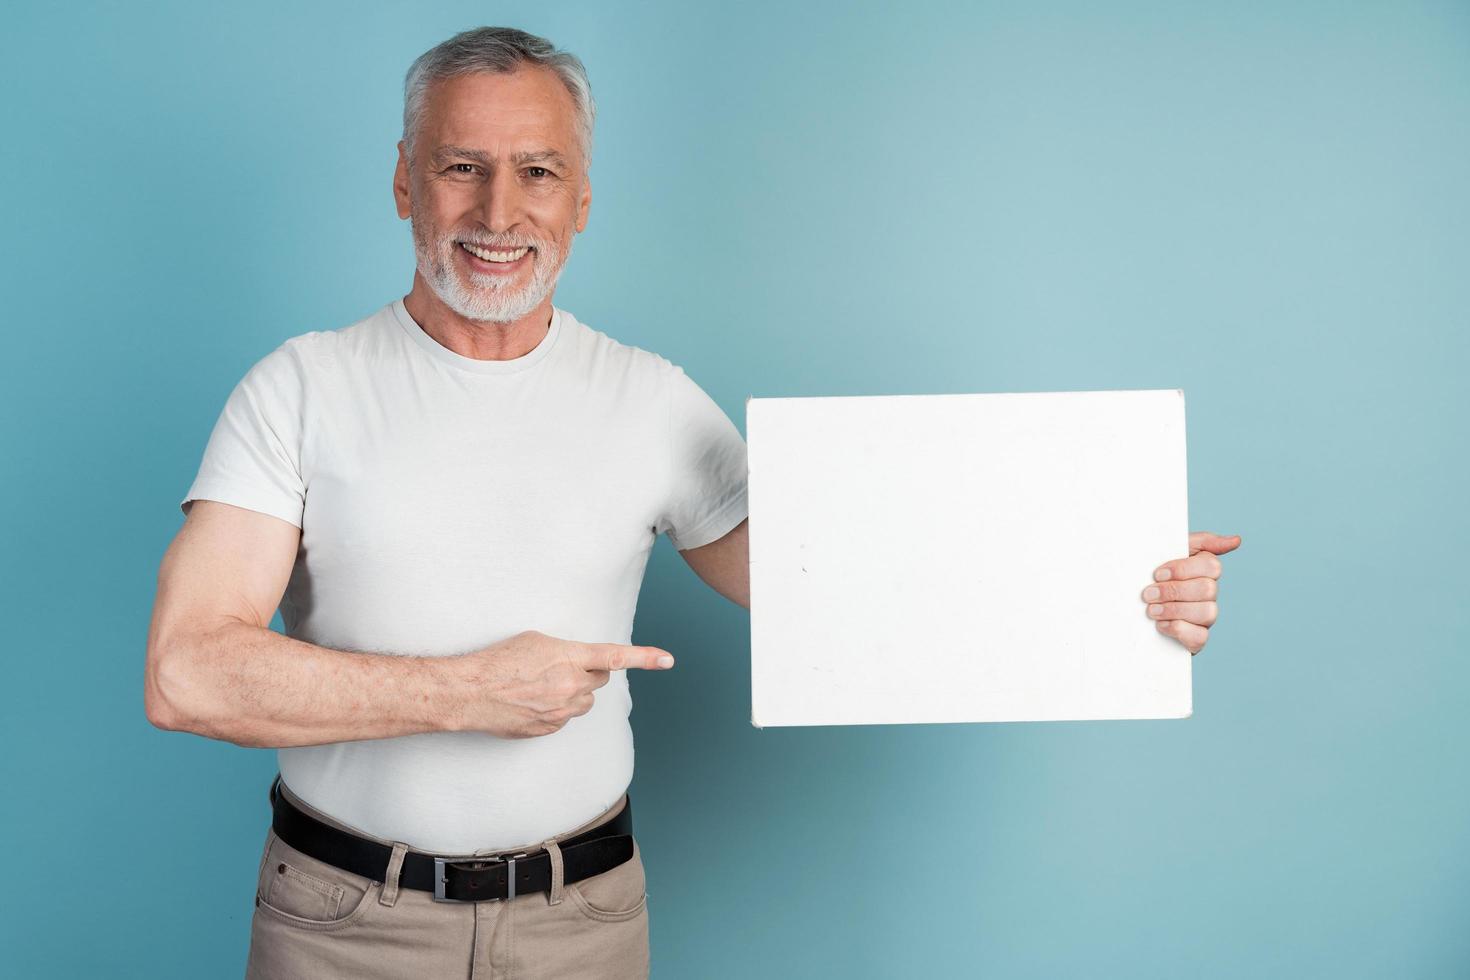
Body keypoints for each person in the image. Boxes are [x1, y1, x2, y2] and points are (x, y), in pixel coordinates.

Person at [143, 25, 1239, 980]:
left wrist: (1120, 579)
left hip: (579, 923)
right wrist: (468, 688)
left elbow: (846, 582)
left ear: (581, 196)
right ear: (403, 181)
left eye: (536, 171)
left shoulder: (649, 400)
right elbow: (187, 671)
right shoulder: (301, 387)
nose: (497, 210)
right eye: (460, 166)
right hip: (344, 926)